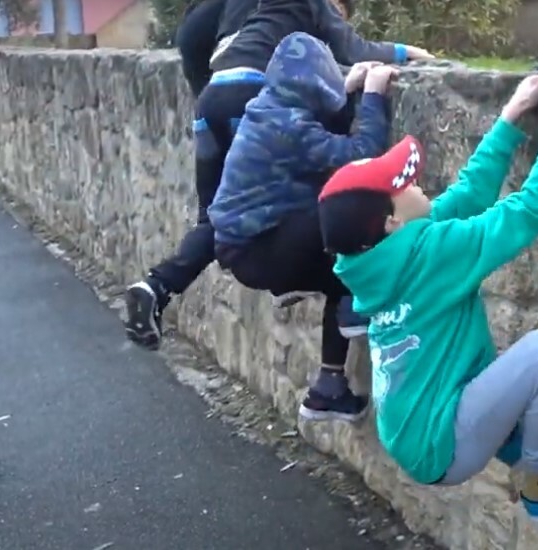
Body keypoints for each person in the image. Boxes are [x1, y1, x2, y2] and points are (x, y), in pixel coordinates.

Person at [315, 74, 538, 523]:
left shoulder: (377, 260)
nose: (418, 182)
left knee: (490, 377)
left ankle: (515, 442)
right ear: (393, 222)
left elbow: (470, 195)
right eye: (405, 183)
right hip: (443, 444)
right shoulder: (431, 253)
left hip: (410, 427)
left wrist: (511, 117)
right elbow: (527, 211)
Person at [123, 0, 435, 350]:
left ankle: (157, 285)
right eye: (340, 14)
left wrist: (202, 90)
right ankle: (305, 279)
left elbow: (192, 36)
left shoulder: (261, 10)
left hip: (212, 96)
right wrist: (404, 51)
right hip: (253, 89)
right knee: (318, 189)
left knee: (217, 213)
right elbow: (352, 49)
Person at [208, 32, 396, 421]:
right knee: (349, 219)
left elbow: (316, 129)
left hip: (247, 244)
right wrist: (374, 96)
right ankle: (352, 307)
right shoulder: (290, 125)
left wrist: (345, 88)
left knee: (336, 277)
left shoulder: (267, 107)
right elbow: (361, 157)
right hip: (261, 248)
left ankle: (329, 388)